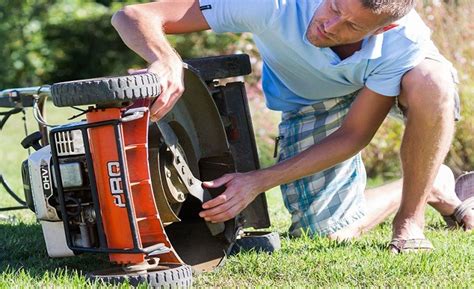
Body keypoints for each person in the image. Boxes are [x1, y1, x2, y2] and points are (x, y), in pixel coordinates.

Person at [111, 0, 474, 252]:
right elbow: (132, 15)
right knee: (329, 233)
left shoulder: (402, 38)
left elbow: (354, 135)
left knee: (432, 81)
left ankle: (410, 221)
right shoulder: (270, 5)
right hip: (312, 100)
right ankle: (437, 183)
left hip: (386, 86)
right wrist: (167, 60)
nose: (330, 25)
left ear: (386, 27)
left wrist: (258, 181)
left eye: (352, 26)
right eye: (333, 7)